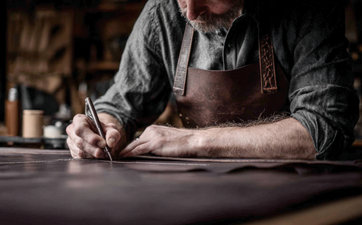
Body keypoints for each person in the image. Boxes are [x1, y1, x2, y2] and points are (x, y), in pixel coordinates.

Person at [66, 0, 359, 160]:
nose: (191, 12)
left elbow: (324, 129)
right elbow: (121, 104)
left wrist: (195, 140)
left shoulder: (308, 9)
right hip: (199, 191)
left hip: (298, 194)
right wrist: (102, 125)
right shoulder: (164, 11)